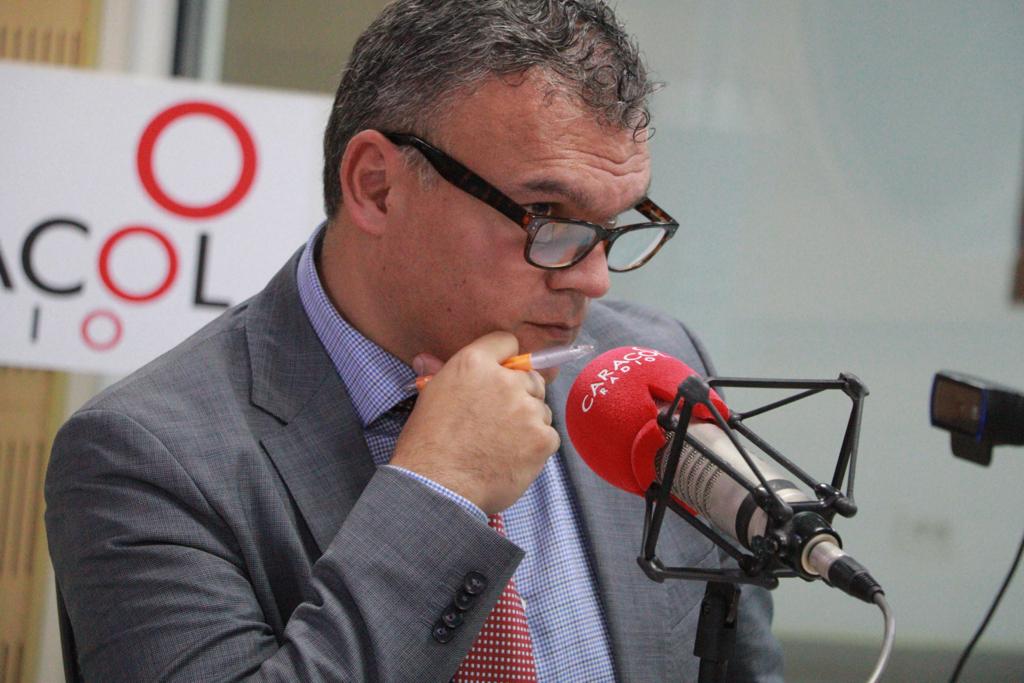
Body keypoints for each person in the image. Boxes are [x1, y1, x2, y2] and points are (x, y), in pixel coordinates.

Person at [46, 1, 784, 681]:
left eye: (615, 224)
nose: (594, 280)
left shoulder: (651, 367)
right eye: (548, 216)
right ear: (378, 186)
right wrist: (441, 493)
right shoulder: (144, 457)